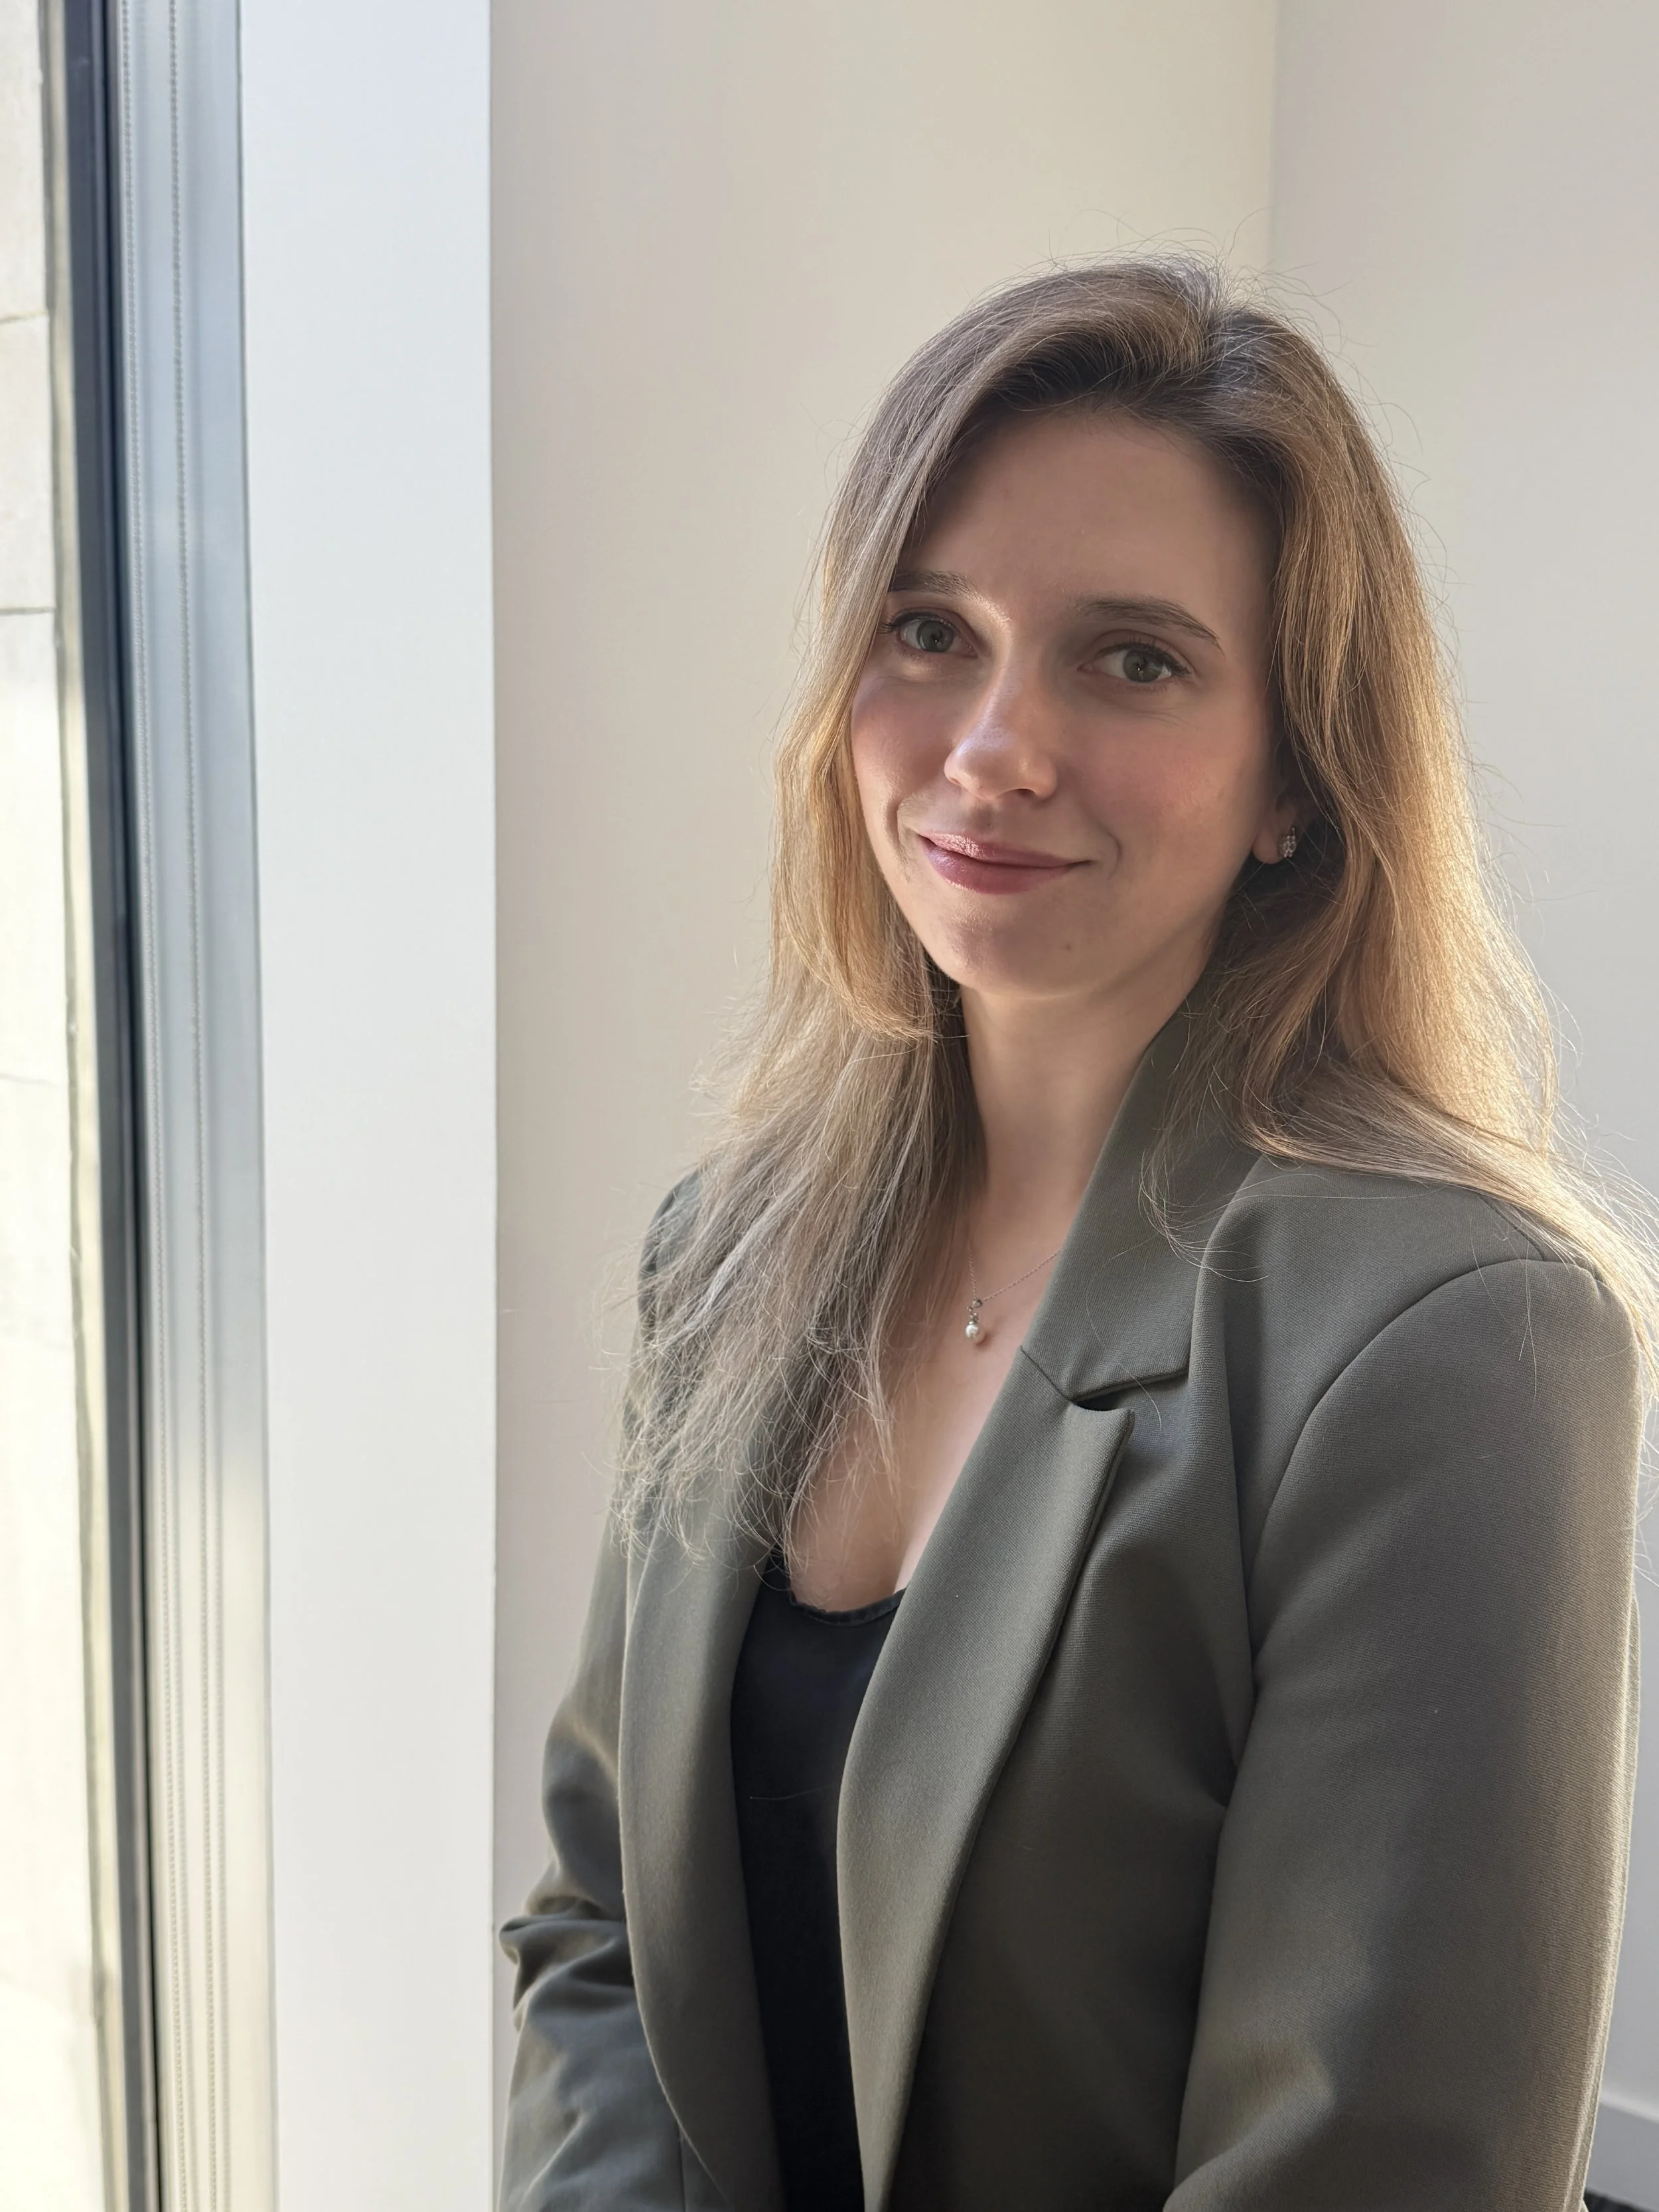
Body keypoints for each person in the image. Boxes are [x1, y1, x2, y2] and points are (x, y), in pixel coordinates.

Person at [498, 256, 1651, 2212]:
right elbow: (602, 1925)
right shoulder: (725, 1249)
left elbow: (1366, 2165)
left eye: (1133, 660)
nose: (993, 747)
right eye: (927, 630)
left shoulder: (1453, 1338)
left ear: (1296, 776)